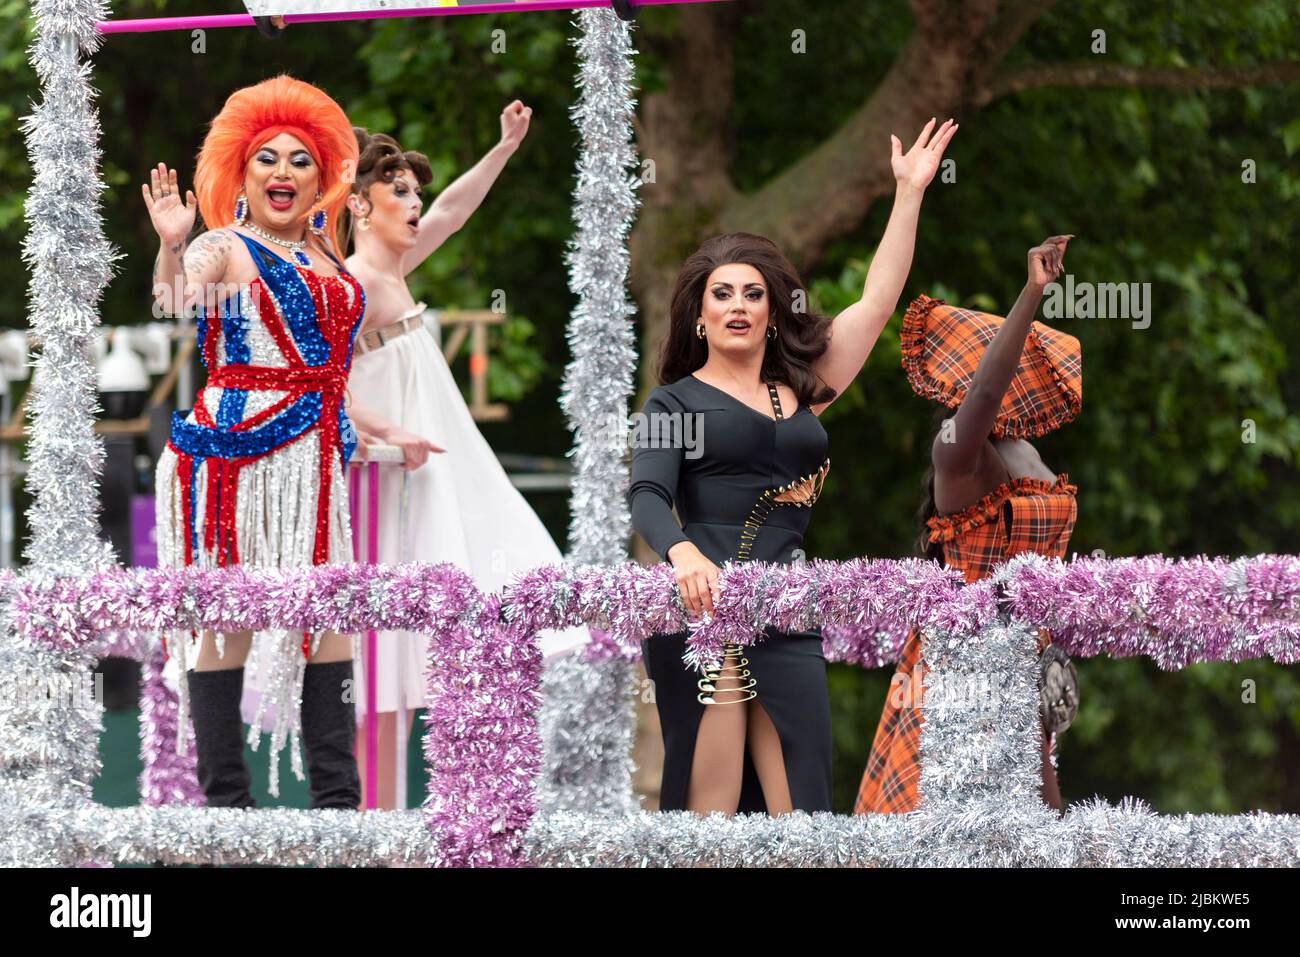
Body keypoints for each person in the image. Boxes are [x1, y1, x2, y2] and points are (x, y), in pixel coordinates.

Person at [629, 119, 958, 815]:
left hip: (788, 610)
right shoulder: (675, 400)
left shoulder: (802, 389)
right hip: (703, 611)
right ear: (698, 316)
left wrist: (908, 195)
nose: (738, 306)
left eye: (752, 293)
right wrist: (683, 553)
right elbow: (648, 497)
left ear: (774, 310)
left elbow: (877, 304)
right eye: (721, 294)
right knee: (709, 825)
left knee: (802, 819)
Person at [147, 74, 438, 807]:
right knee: (229, 619)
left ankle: (340, 817)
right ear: (242, 175)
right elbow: (177, 298)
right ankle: (228, 815)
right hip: (233, 457)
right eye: (267, 158)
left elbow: (327, 377)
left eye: (300, 160)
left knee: (328, 617)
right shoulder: (225, 247)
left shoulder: (328, 260)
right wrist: (173, 245)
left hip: (314, 459)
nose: (283, 170)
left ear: (320, 183)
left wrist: (378, 430)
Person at [341, 106, 590, 809]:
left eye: (415, 193)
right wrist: (389, 435)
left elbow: (452, 212)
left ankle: (449, 815)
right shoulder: (349, 284)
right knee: (386, 656)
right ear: (360, 205)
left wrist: (504, 147)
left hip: (439, 465)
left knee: (454, 622)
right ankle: (377, 825)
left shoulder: (393, 267)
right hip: (392, 477)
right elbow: (319, 383)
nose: (416, 205)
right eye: (400, 193)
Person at [854, 235, 1080, 815]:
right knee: (945, 834)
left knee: (1034, 841)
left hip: (1025, 658)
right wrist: (1032, 293)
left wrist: (1055, 658)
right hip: (962, 666)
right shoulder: (958, 454)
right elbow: (985, 389)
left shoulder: (1028, 453)